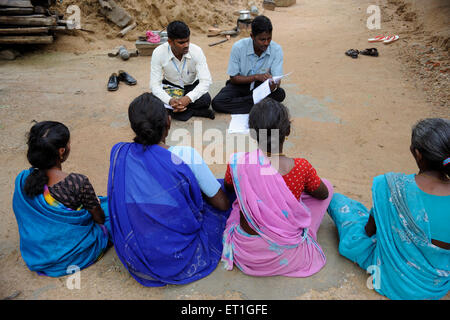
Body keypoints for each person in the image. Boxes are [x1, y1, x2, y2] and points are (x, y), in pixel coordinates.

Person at [107, 92, 234, 287]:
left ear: (134, 126)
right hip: (178, 252)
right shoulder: (185, 155)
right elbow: (222, 203)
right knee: (226, 193)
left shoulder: (120, 153)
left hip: (136, 251)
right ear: (168, 121)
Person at [328, 118, 450, 300]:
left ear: (418, 154)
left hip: (391, 281)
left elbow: (369, 231)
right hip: (436, 285)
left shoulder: (390, 186)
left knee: (337, 201)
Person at [221, 98, 333, 277]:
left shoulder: (238, 162)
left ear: (252, 134)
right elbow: (323, 194)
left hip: (247, 252)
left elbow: (228, 186)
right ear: (287, 131)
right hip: (288, 253)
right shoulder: (302, 167)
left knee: (240, 202)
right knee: (325, 185)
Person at [12, 121, 111, 277]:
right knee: (111, 209)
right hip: (71, 256)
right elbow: (99, 219)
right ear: (62, 151)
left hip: (38, 254)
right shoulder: (78, 183)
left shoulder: (23, 180)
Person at [212, 15, 286, 114]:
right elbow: (233, 78)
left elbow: (277, 79)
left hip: (261, 87)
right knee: (217, 102)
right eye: (262, 39)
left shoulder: (276, 49)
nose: (266, 43)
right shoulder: (238, 47)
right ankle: (258, 105)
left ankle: (247, 103)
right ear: (252, 36)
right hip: (241, 84)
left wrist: (274, 85)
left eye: (269, 38)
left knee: (280, 94)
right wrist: (256, 77)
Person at [150, 20, 215, 121]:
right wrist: (170, 100)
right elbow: (155, 85)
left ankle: (175, 111)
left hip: (191, 86)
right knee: (151, 102)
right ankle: (191, 111)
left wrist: (188, 98)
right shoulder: (158, 53)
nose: (186, 45)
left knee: (205, 99)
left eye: (187, 41)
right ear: (170, 42)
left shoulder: (196, 51)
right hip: (170, 87)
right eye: (181, 42)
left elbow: (206, 81)